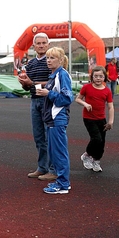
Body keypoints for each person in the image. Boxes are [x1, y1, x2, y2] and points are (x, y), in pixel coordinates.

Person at [17, 32, 57, 181]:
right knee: (39, 137)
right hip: (35, 101)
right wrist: (24, 83)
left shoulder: (51, 61)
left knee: (51, 136)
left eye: (43, 43)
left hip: (48, 101)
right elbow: (28, 88)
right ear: (34, 46)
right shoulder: (31, 64)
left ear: (48, 44)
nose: (41, 46)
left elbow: (52, 83)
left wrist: (31, 84)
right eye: (38, 43)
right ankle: (42, 167)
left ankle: (53, 169)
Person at [35, 47, 73, 194]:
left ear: (61, 60)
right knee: (54, 152)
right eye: (47, 58)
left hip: (58, 118)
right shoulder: (53, 76)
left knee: (59, 152)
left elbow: (67, 98)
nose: (48, 61)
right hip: (52, 119)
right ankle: (61, 181)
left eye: (52, 58)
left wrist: (48, 93)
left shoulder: (62, 75)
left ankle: (63, 184)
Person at [76, 66, 114, 172]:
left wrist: (110, 121)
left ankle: (96, 161)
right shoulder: (87, 87)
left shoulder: (107, 91)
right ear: (92, 77)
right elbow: (78, 99)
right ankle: (87, 155)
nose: (98, 78)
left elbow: (110, 107)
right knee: (96, 139)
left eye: (101, 76)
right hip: (89, 118)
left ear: (104, 77)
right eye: (96, 76)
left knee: (102, 143)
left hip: (101, 119)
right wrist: (85, 103)